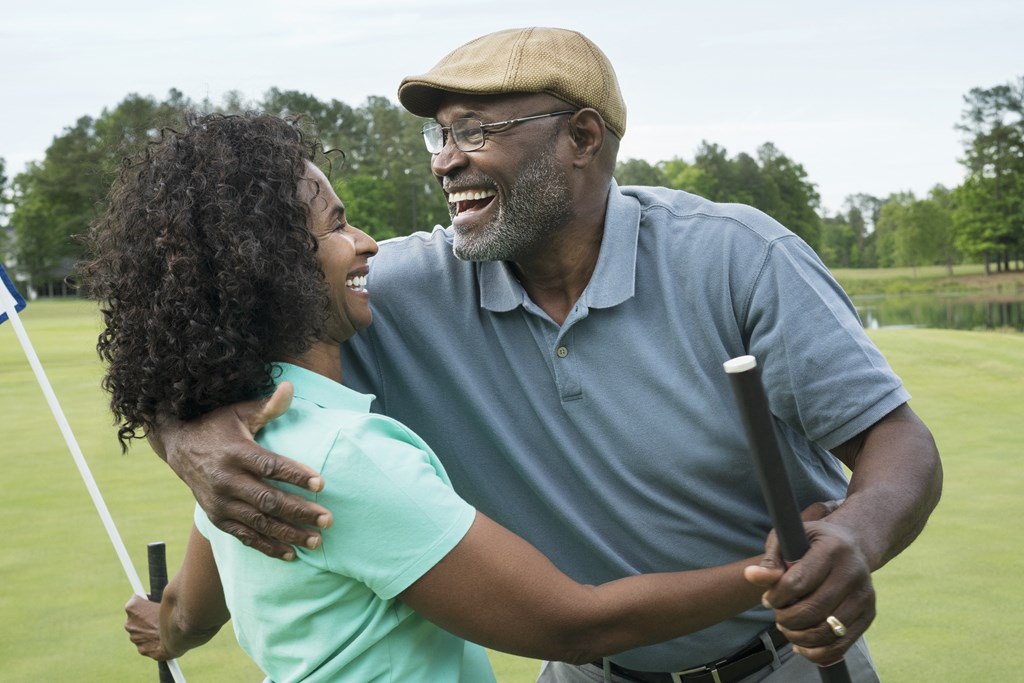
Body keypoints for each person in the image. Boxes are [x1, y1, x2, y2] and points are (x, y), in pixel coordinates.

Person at [153, 28, 942, 683]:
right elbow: (210, 326)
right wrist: (187, 434)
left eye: (475, 132)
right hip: (584, 670)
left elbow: (895, 441)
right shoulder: (394, 288)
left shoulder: (737, 256)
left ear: (582, 137)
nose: (444, 160)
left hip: (783, 663)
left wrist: (854, 535)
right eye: (441, 134)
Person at [86, 111, 827, 683]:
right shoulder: (343, 458)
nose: (369, 243)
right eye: (340, 225)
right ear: (274, 267)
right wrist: (779, 570)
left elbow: (189, 607)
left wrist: (165, 626)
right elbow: (575, 625)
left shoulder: (240, 448)